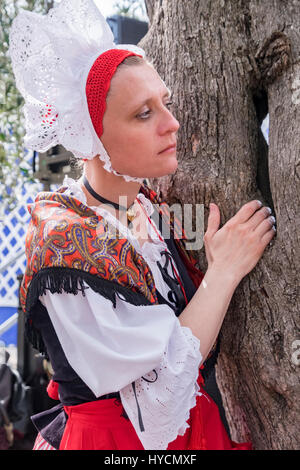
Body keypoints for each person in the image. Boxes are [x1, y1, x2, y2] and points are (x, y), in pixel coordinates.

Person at [9, 0, 276, 451]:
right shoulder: (64, 248)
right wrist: (223, 274)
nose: (172, 125)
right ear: (92, 138)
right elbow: (156, 399)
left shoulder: (146, 206)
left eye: (164, 104)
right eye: (143, 114)